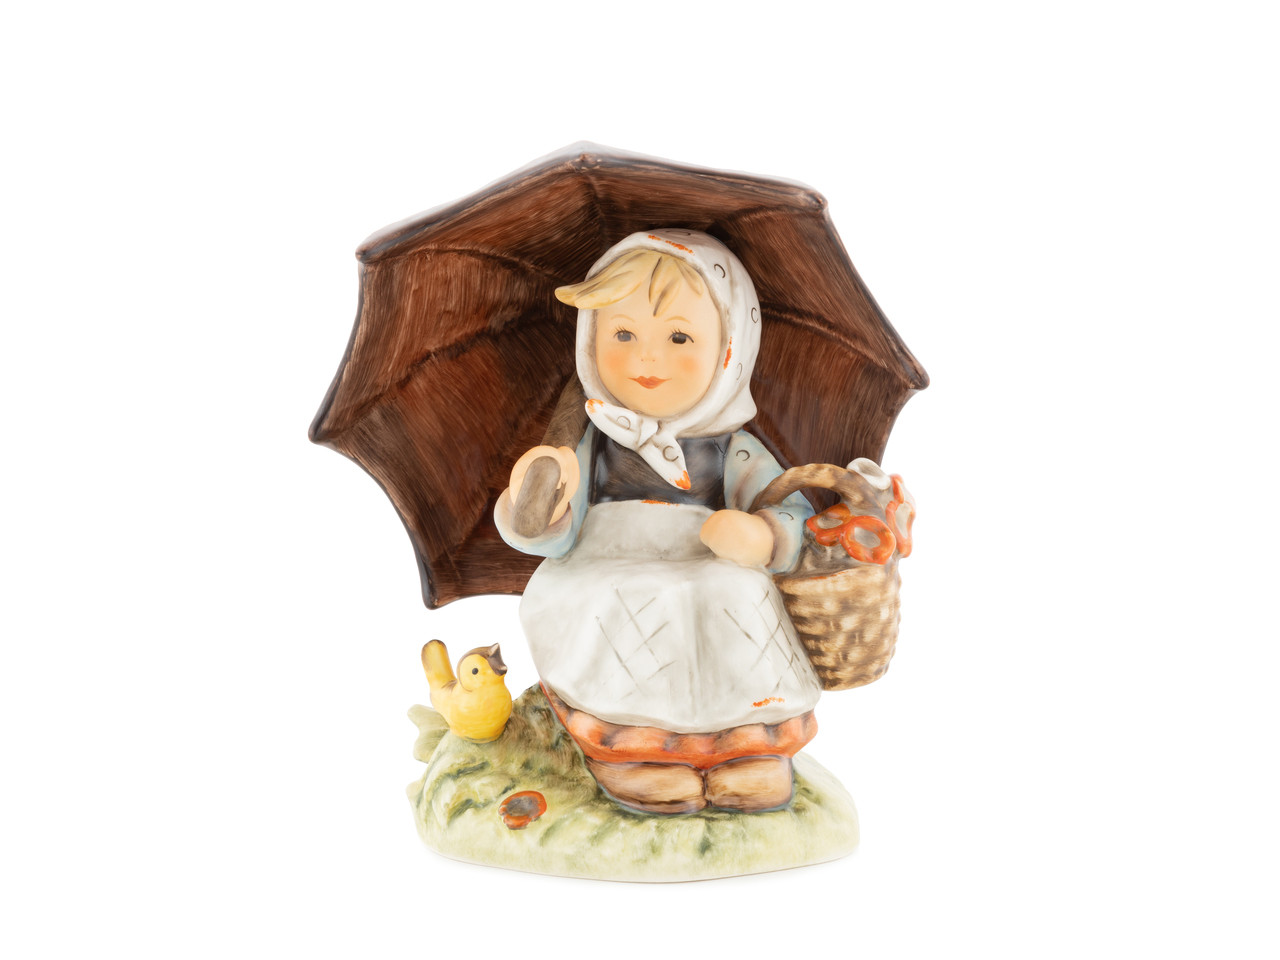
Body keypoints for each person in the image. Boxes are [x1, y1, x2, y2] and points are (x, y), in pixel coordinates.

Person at [495, 229, 820, 814]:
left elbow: (792, 509)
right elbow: (552, 537)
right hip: (606, 563)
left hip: (706, 560)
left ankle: (748, 750)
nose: (647, 357)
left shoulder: (733, 448)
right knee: (627, 598)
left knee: (738, 591)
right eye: (622, 334)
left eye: (678, 337)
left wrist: (762, 534)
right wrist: (537, 502)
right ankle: (633, 752)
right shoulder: (591, 441)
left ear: (730, 349)